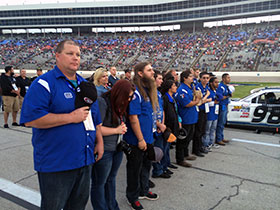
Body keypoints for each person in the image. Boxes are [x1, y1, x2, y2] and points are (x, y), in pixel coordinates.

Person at [20, 40, 104, 210]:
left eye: (78, 55)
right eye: (70, 53)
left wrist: (100, 141)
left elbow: (94, 118)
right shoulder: (44, 83)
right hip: (57, 163)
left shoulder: (85, 85)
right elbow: (31, 119)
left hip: (84, 160)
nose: (75, 58)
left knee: (78, 206)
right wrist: (70, 117)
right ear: (57, 56)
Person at [91, 79, 135, 210]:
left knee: (111, 179)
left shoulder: (120, 104)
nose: (129, 99)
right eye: (128, 96)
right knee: (99, 183)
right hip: (104, 149)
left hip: (117, 147)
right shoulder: (102, 102)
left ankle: (112, 206)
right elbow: (96, 128)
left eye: (131, 97)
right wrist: (116, 130)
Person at [124, 61, 159, 210]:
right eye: (149, 70)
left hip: (148, 137)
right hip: (137, 140)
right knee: (134, 170)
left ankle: (143, 190)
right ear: (140, 73)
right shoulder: (135, 91)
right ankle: (132, 197)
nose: (153, 72)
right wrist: (140, 139)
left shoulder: (147, 89)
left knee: (146, 166)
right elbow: (133, 118)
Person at [174, 70, 200, 167]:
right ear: (184, 78)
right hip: (186, 118)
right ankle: (180, 159)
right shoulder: (182, 89)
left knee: (189, 138)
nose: (192, 78)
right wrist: (197, 101)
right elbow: (187, 103)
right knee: (182, 139)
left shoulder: (190, 88)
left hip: (192, 117)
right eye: (190, 76)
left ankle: (186, 154)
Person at [152, 71, 171, 179]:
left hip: (159, 126)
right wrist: (159, 124)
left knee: (161, 149)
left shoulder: (158, 93)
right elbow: (152, 112)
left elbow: (161, 110)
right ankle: (157, 170)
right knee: (156, 150)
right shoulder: (151, 93)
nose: (162, 81)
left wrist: (162, 124)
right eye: (159, 78)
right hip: (154, 126)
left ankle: (160, 168)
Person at [160, 80, 180, 169]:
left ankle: (167, 163)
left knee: (167, 147)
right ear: (169, 88)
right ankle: (164, 167)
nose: (176, 87)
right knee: (164, 147)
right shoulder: (165, 98)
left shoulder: (172, 98)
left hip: (172, 125)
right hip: (168, 126)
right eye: (174, 86)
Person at [192, 72, 211, 156]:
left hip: (205, 110)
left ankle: (200, 147)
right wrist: (207, 96)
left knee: (203, 130)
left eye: (207, 78)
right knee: (198, 131)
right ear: (200, 79)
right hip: (199, 110)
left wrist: (206, 99)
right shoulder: (198, 87)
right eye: (204, 78)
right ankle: (196, 149)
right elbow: (200, 101)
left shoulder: (206, 87)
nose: (205, 80)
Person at [202, 77, 222, 150]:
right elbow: (205, 102)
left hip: (215, 113)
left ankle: (211, 143)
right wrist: (213, 102)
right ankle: (205, 144)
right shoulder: (208, 91)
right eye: (216, 82)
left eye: (218, 82)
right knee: (207, 130)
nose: (217, 84)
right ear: (211, 83)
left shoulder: (216, 91)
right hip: (209, 113)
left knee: (213, 129)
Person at [216, 73, 232, 146]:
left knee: (223, 122)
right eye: (228, 78)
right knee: (220, 122)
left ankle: (221, 137)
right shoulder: (220, 87)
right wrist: (227, 96)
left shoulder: (226, 86)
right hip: (221, 106)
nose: (229, 79)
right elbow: (220, 97)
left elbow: (229, 94)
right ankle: (218, 138)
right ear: (223, 79)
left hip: (225, 105)